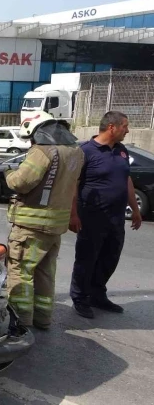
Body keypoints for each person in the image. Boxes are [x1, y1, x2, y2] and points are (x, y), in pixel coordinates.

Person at [4, 112, 84, 330]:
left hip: (31, 226)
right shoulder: (76, 152)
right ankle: (43, 318)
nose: (31, 142)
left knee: (21, 272)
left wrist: (8, 173)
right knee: (45, 273)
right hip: (55, 227)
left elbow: (21, 182)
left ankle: (20, 321)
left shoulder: (42, 152)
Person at [69, 111, 142, 319]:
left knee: (110, 257)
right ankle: (80, 298)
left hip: (116, 217)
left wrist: (135, 210)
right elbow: (73, 184)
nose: (127, 130)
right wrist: (73, 214)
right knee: (86, 258)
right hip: (91, 216)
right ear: (112, 127)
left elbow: (126, 179)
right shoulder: (85, 151)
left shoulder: (121, 150)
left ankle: (97, 295)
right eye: (125, 126)